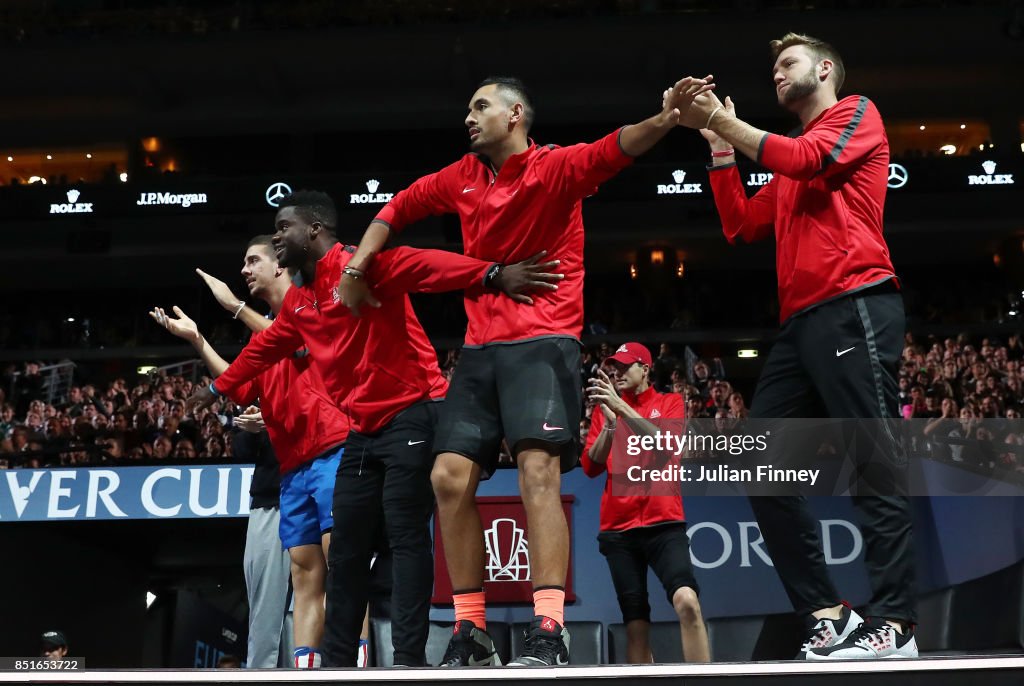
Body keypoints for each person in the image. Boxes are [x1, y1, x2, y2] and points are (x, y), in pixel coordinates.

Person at [339, 75, 713, 666]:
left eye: (480, 106)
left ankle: (549, 628)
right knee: (448, 478)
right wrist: (356, 268)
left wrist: (666, 119)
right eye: (467, 107)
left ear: (516, 116)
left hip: (544, 342)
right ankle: (472, 631)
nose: (469, 116)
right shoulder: (459, 177)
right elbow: (395, 209)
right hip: (480, 349)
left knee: (538, 472)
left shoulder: (554, 169)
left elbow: (616, 147)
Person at [185, 191, 561, 667]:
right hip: (362, 429)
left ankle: (407, 659)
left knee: (405, 538)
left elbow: (422, 265)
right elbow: (264, 350)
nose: (278, 236)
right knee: (345, 550)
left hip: (413, 412)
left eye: (284, 228)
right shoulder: (301, 301)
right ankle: (340, 662)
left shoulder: (359, 270)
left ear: (315, 230)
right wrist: (218, 389)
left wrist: (490, 274)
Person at [676, 33, 917, 659]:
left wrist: (725, 118)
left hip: (855, 302)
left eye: (788, 64)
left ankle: (896, 624)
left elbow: (810, 160)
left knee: (874, 460)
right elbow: (741, 225)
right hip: (802, 323)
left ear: (826, 69)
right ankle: (828, 614)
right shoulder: (790, 162)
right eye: (774, 69)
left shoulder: (855, 115)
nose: (778, 74)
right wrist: (723, 152)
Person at [152, 235, 349, 669]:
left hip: (334, 451)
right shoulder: (261, 343)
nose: (243, 270)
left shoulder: (311, 305)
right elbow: (241, 387)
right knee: (304, 573)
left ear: (280, 266)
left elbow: (298, 342)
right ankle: (306, 670)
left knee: (343, 568)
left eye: (252, 260)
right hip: (292, 468)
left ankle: (358, 666)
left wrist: (233, 307)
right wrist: (198, 340)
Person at [581, 343, 709, 663]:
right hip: (618, 530)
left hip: (664, 523)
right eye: (615, 367)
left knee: (688, 603)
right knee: (636, 626)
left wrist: (620, 410)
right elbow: (591, 465)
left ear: (645, 369)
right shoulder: (606, 410)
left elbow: (667, 444)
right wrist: (610, 424)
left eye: (626, 366)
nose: (618, 373)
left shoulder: (669, 402)